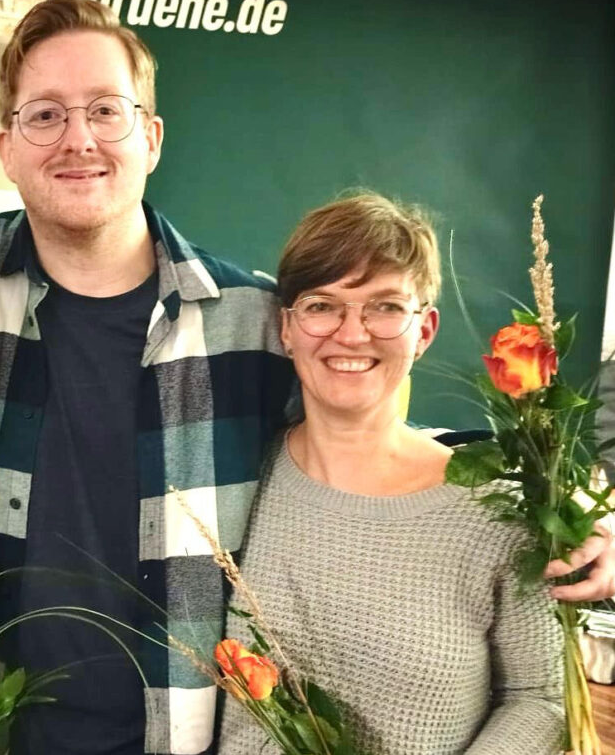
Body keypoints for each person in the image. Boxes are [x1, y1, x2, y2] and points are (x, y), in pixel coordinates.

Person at [0, 0, 613, 755]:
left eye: (104, 110)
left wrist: (564, 506)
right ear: (7, 146)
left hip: (180, 733)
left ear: (150, 135)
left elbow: (369, 423)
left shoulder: (249, 318)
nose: (78, 138)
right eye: (44, 115)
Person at [219, 194, 563, 754]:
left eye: (384, 306)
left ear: (424, 331)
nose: (352, 334)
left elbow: (541, 697)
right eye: (322, 305)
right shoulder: (234, 477)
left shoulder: (498, 509)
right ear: (286, 328)